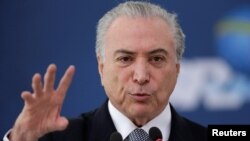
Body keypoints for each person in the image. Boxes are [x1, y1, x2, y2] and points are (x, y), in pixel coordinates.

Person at [3, 1, 207, 141]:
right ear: (102, 68)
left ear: (177, 69)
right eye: (125, 59)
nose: (141, 76)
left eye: (157, 59)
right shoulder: (52, 138)